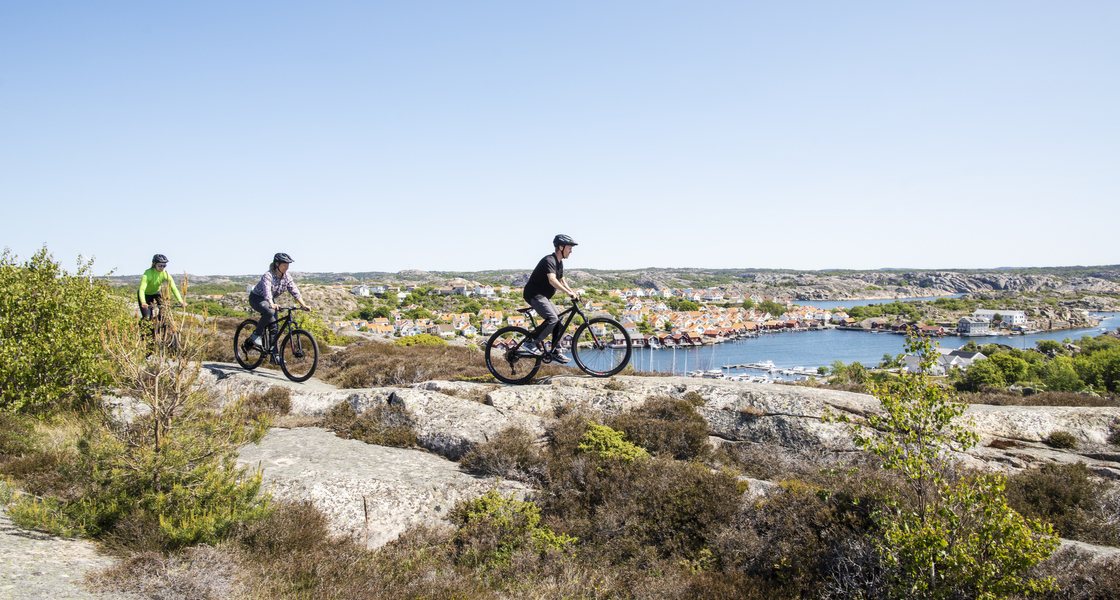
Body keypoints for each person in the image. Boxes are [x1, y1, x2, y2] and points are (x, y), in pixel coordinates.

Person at [521, 234, 581, 362]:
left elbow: (561, 280)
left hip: (544, 296)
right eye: (569, 248)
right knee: (552, 318)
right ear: (561, 247)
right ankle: (530, 342)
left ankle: (555, 352)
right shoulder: (549, 260)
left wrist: (573, 292)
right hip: (534, 294)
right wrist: (569, 294)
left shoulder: (559, 263)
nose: (571, 251)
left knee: (559, 320)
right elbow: (552, 280)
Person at [245, 252, 311, 363]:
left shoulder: (287, 277)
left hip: (269, 300)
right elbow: (267, 291)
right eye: (284, 265)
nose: (287, 267)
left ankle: (274, 356)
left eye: (288, 265)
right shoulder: (269, 275)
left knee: (274, 328)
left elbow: (294, 291)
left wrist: (303, 304)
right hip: (257, 298)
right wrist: (271, 302)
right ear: (277, 264)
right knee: (269, 311)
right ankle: (256, 334)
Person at [137, 253, 186, 321]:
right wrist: (143, 302)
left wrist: (180, 301)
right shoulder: (147, 274)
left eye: (164, 265)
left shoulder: (165, 274)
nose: (162, 267)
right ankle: (144, 326)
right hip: (146, 294)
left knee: (164, 314)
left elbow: (173, 288)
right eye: (160, 265)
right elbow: (142, 289)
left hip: (157, 292)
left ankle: (158, 324)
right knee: (147, 318)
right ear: (154, 264)